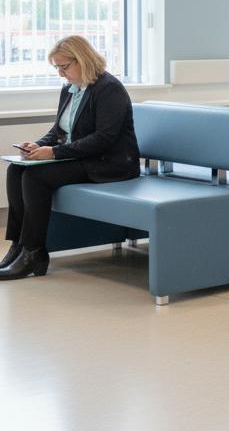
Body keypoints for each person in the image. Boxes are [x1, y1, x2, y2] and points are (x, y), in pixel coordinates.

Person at [1, 35, 141, 281]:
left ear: (82, 60)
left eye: (64, 67)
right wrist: (38, 145)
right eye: (57, 68)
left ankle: (34, 252)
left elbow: (103, 139)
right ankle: (18, 246)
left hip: (111, 163)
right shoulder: (69, 89)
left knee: (35, 176)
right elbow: (59, 130)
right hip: (83, 157)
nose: (61, 73)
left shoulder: (109, 89)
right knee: (16, 169)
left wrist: (54, 152)